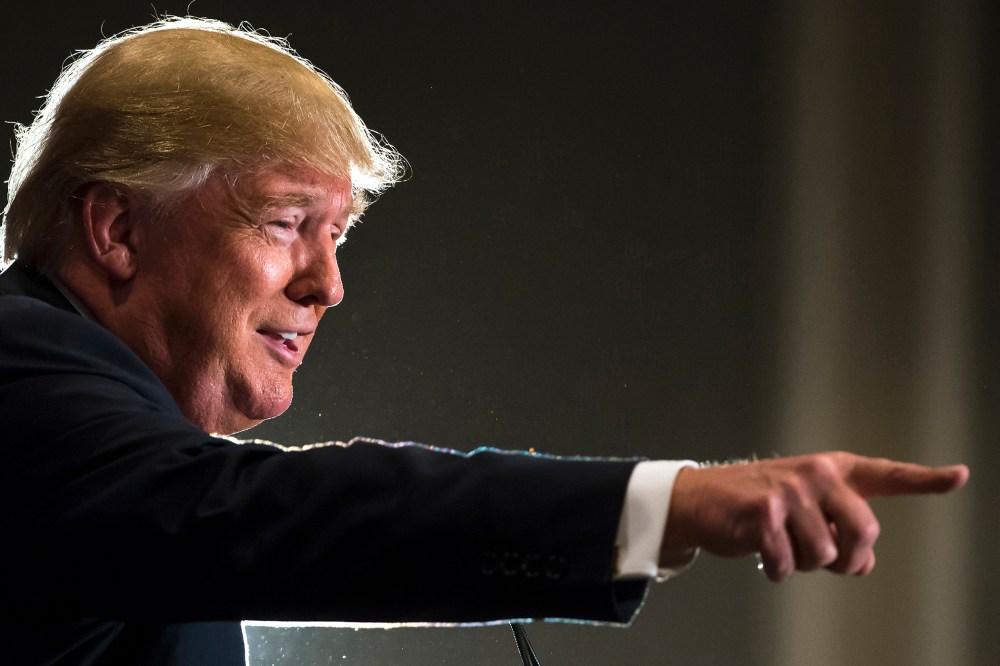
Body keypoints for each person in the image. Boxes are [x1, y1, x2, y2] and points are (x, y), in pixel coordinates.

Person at [0, 16, 968, 666]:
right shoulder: (23, 373)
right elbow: (266, 516)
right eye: (286, 221)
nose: (328, 285)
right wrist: (666, 502)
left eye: (338, 237)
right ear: (117, 231)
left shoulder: (121, 444)